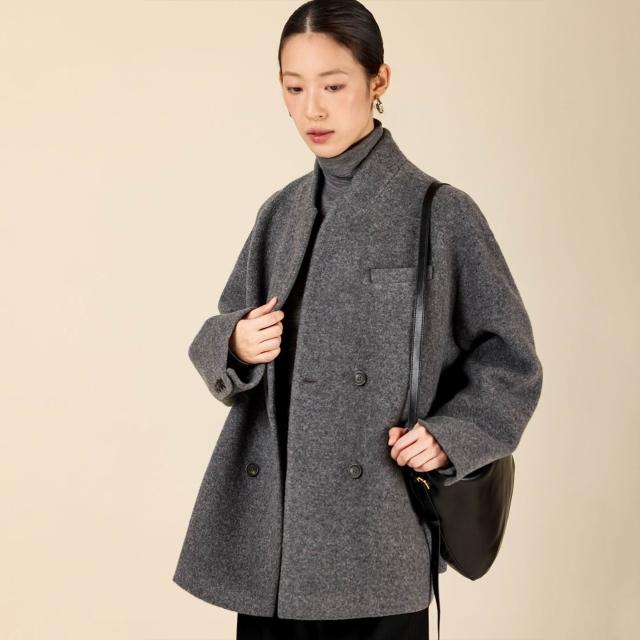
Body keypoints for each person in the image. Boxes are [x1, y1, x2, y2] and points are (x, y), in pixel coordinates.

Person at [173, 1, 543, 639]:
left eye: (333, 85)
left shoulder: (440, 212)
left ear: (379, 81)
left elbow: (510, 362)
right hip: (273, 542)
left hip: (377, 532)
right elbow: (222, 328)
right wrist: (234, 341)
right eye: (294, 88)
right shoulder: (280, 213)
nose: (312, 110)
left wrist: (452, 436)